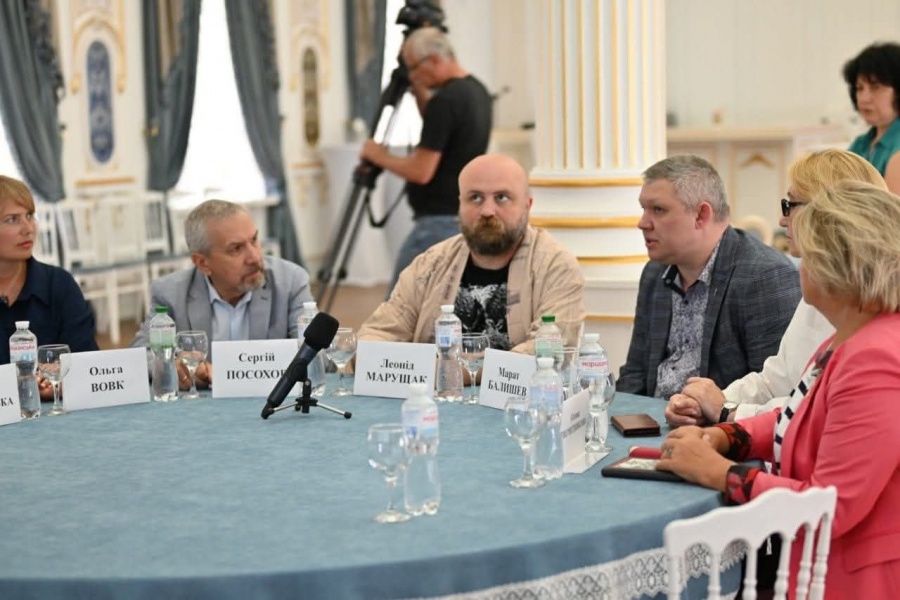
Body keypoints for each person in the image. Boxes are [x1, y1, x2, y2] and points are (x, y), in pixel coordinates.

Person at [658, 181, 900, 598]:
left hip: (858, 580)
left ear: (836, 268)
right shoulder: (853, 334)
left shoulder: (875, 357)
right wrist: (726, 436)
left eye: (806, 255)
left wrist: (716, 471)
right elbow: (800, 415)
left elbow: (832, 506)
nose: (797, 264)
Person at [666, 149, 886, 427]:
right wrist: (704, 402)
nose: (782, 220)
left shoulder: (871, 302)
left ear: (827, 212)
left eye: (790, 205)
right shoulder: (822, 286)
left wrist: (727, 411)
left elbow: (818, 411)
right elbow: (774, 381)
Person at [358, 154, 584, 354]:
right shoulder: (430, 264)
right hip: (434, 389)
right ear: (460, 205)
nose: (487, 211)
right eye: (475, 197)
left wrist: (461, 370)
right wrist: (367, 354)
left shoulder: (556, 267)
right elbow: (381, 331)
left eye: (502, 197)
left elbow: (549, 346)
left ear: (527, 205)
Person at [617, 155, 801, 399]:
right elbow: (635, 374)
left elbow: (773, 394)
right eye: (644, 209)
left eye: (658, 210)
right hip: (649, 418)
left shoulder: (765, 276)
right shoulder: (655, 272)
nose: (643, 223)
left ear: (701, 215)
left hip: (718, 421)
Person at [359, 26, 492, 295]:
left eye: (414, 68)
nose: (411, 76)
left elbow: (421, 171)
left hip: (437, 223)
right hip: (463, 215)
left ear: (433, 60)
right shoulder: (477, 91)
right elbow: (441, 130)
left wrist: (377, 155)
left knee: (398, 303)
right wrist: (420, 92)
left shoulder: (446, 101)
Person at [131, 200, 313, 389]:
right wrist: (170, 366)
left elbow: (316, 354)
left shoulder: (290, 281)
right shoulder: (171, 293)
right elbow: (139, 355)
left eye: (254, 240)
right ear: (202, 263)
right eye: (236, 249)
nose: (254, 257)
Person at [0, 176, 98, 399]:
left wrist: (62, 380)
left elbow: (88, 362)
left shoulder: (59, 284)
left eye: (29, 216)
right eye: (12, 219)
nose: (28, 229)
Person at [843, 42, 900, 193]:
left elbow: (891, 207)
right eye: (859, 88)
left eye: (876, 87)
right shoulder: (862, 143)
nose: (864, 98)